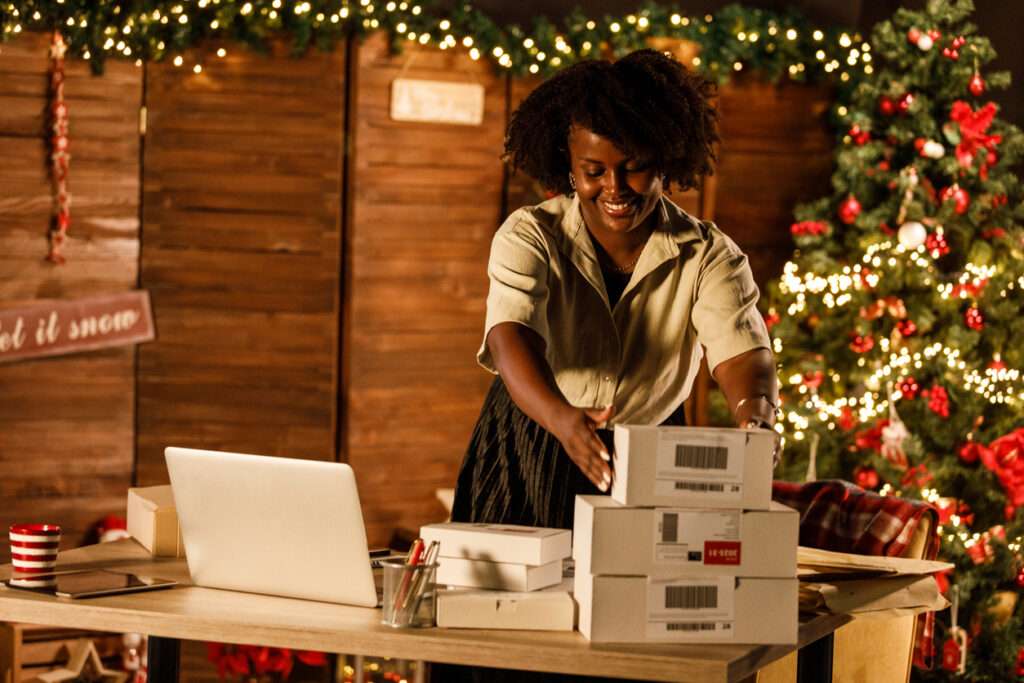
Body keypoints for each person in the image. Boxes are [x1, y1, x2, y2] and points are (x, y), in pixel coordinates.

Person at [437, 47, 779, 683]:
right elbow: (512, 334)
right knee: (507, 647)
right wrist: (564, 421)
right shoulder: (528, 234)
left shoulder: (710, 254)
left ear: (666, 161)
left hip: (649, 462)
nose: (614, 188)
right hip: (530, 443)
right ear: (568, 166)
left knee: (638, 647)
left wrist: (755, 418)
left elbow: (743, 350)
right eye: (594, 169)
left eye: (635, 168)